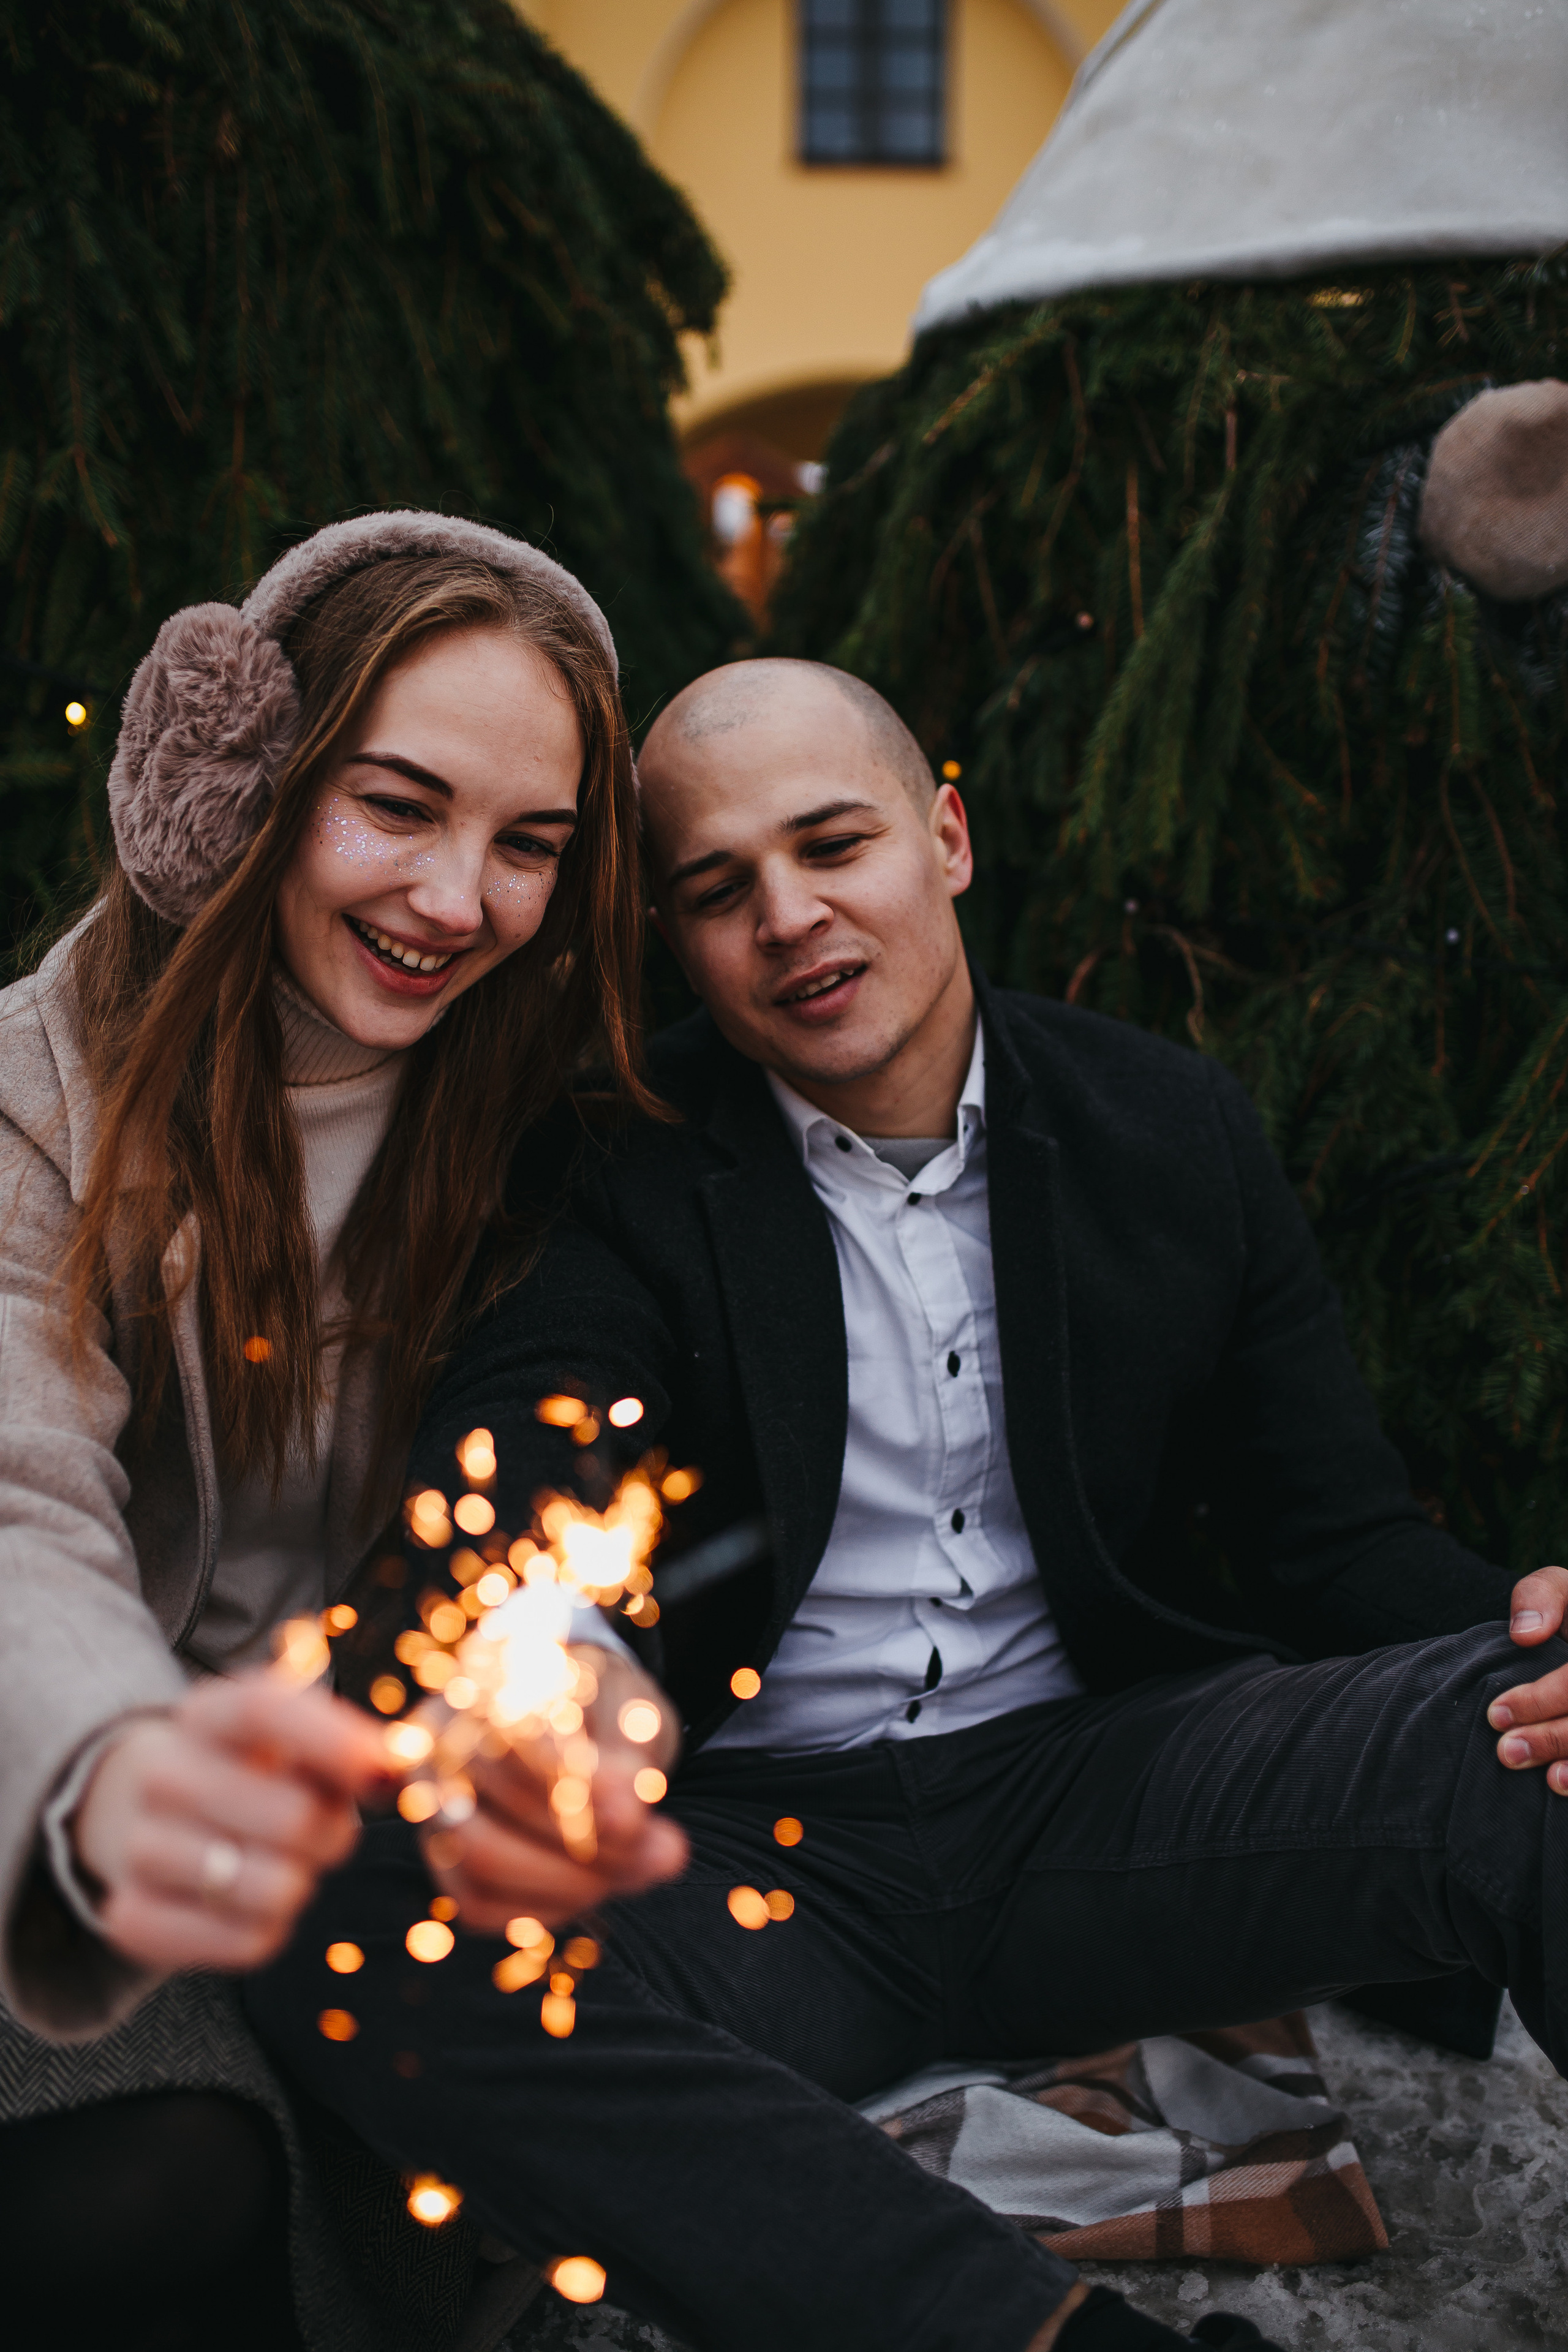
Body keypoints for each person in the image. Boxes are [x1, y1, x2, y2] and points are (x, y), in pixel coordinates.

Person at [249, 657, 1568, 2352]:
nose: (790, 918)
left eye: (833, 846)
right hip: (749, 1857)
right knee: (341, 1901)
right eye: (720, 892)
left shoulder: (1167, 1126)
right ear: (678, 940)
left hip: (1100, 1807)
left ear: (943, 837)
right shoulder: (608, 1152)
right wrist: (541, 1640)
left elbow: (1332, 1541)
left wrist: (1519, 1630)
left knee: (1530, 1738)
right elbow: (533, 1439)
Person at [0, 512, 682, 2352]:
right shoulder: (30, 1097)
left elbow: (550, 1487)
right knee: (151, 2182)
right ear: (235, 792)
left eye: (529, 844)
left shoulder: (554, 1118)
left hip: (388, 1813)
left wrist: (572, 1690)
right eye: (398, 805)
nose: (460, 900)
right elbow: (14, 1506)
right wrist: (114, 1770)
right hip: (68, 1779)